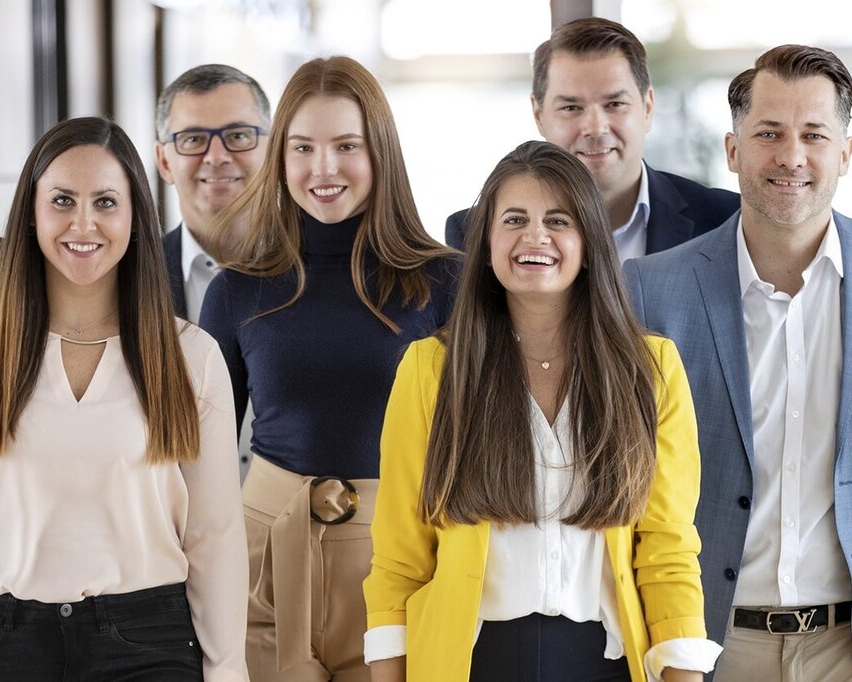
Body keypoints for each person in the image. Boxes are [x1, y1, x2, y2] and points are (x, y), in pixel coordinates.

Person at [0, 117, 247, 681]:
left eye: (106, 202)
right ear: (31, 213)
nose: (83, 223)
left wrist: (228, 672)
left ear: (135, 218)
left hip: (149, 642)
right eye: (62, 200)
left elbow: (215, 535)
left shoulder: (191, 356)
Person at [365, 141, 722, 682]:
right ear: (486, 244)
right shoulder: (431, 370)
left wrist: (683, 672)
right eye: (514, 220)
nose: (536, 237)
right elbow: (399, 558)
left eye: (558, 220)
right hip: (470, 661)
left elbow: (668, 548)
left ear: (589, 244)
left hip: (604, 663)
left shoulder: (652, 369)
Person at [200, 56, 459, 681]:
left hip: (403, 559)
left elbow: (473, 437)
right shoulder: (236, 289)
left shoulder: (444, 279)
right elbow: (194, 458)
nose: (324, 169)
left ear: (382, 153)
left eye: (347, 145)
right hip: (262, 558)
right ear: (280, 158)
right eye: (303, 148)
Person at [624, 45, 852, 681]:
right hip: (710, 646)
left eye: (815, 135)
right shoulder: (649, 289)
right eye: (769, 134)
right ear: (733, 150)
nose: (792, 156)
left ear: (845, 152)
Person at [445, 18, 738, 260]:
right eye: (571, 108)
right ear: (538, 114)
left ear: (647, 108)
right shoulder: (475, 233)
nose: (595, 128)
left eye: (614, 105)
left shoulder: (726, 220)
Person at [155, 63, 271, 481]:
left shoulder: (322, 271)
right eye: (193, 139)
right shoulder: (125, 280)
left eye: (239, 136)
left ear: (272, 149)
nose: (217, 156)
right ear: (163, 161)